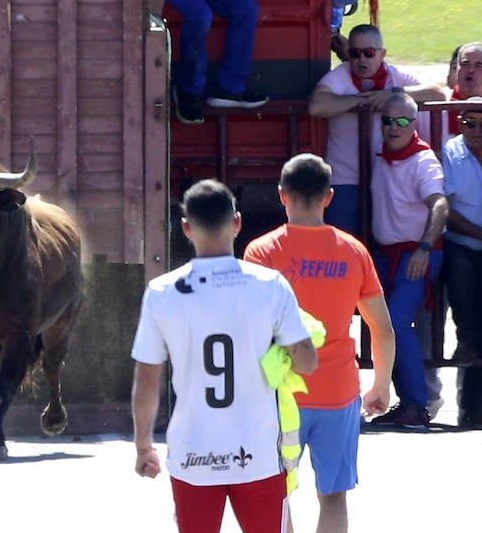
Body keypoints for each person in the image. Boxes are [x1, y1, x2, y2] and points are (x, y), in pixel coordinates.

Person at [131, 179, 317, 533]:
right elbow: (307, 363)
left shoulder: (161, 292)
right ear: (237, 223)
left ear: (186, 227)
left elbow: (147, 379)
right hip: (258, 455)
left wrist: (143, 447)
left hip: (193, 455)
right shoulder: (270, 285)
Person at [243, 154, 394, 533]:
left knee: (276, 493)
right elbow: (383, 328)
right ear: (329, 196)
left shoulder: (261, 252)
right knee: (333, 495)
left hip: (280, 393)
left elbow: (251, 329)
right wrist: (381, 385)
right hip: (338, 393)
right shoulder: (353, 251)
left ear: (282, 195)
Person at [306, 23, 444, 234]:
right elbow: (317, 105)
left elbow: (437, 93)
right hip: (345, 179)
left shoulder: (395, 77)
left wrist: (393, 93)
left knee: (383, 242)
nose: (362, 60)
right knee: (343, 243)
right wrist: (362, 101)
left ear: (382, 54)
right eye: (355, 53)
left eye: (369, 53)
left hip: (387, 176)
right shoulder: (341, 75)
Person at [364, 93, 449, 431]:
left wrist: (424, 248)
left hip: (415, 253)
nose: (393, 127)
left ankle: (417, 404)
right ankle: (405, 402)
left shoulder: (423, 160)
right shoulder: (383, 152)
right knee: (381, 326)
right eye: (387, 120)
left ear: (414, 125)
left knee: (395, 324)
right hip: (389, 255)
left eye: (402, 121)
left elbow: (440, 205)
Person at [440, 96, 482, 428]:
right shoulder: (450, 152)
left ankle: (474, 409)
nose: (477, 129)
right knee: (467, 325)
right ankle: (469, 404)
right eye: (470, 122)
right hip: (463, 246)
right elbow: (447, 212)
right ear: (459, 123)